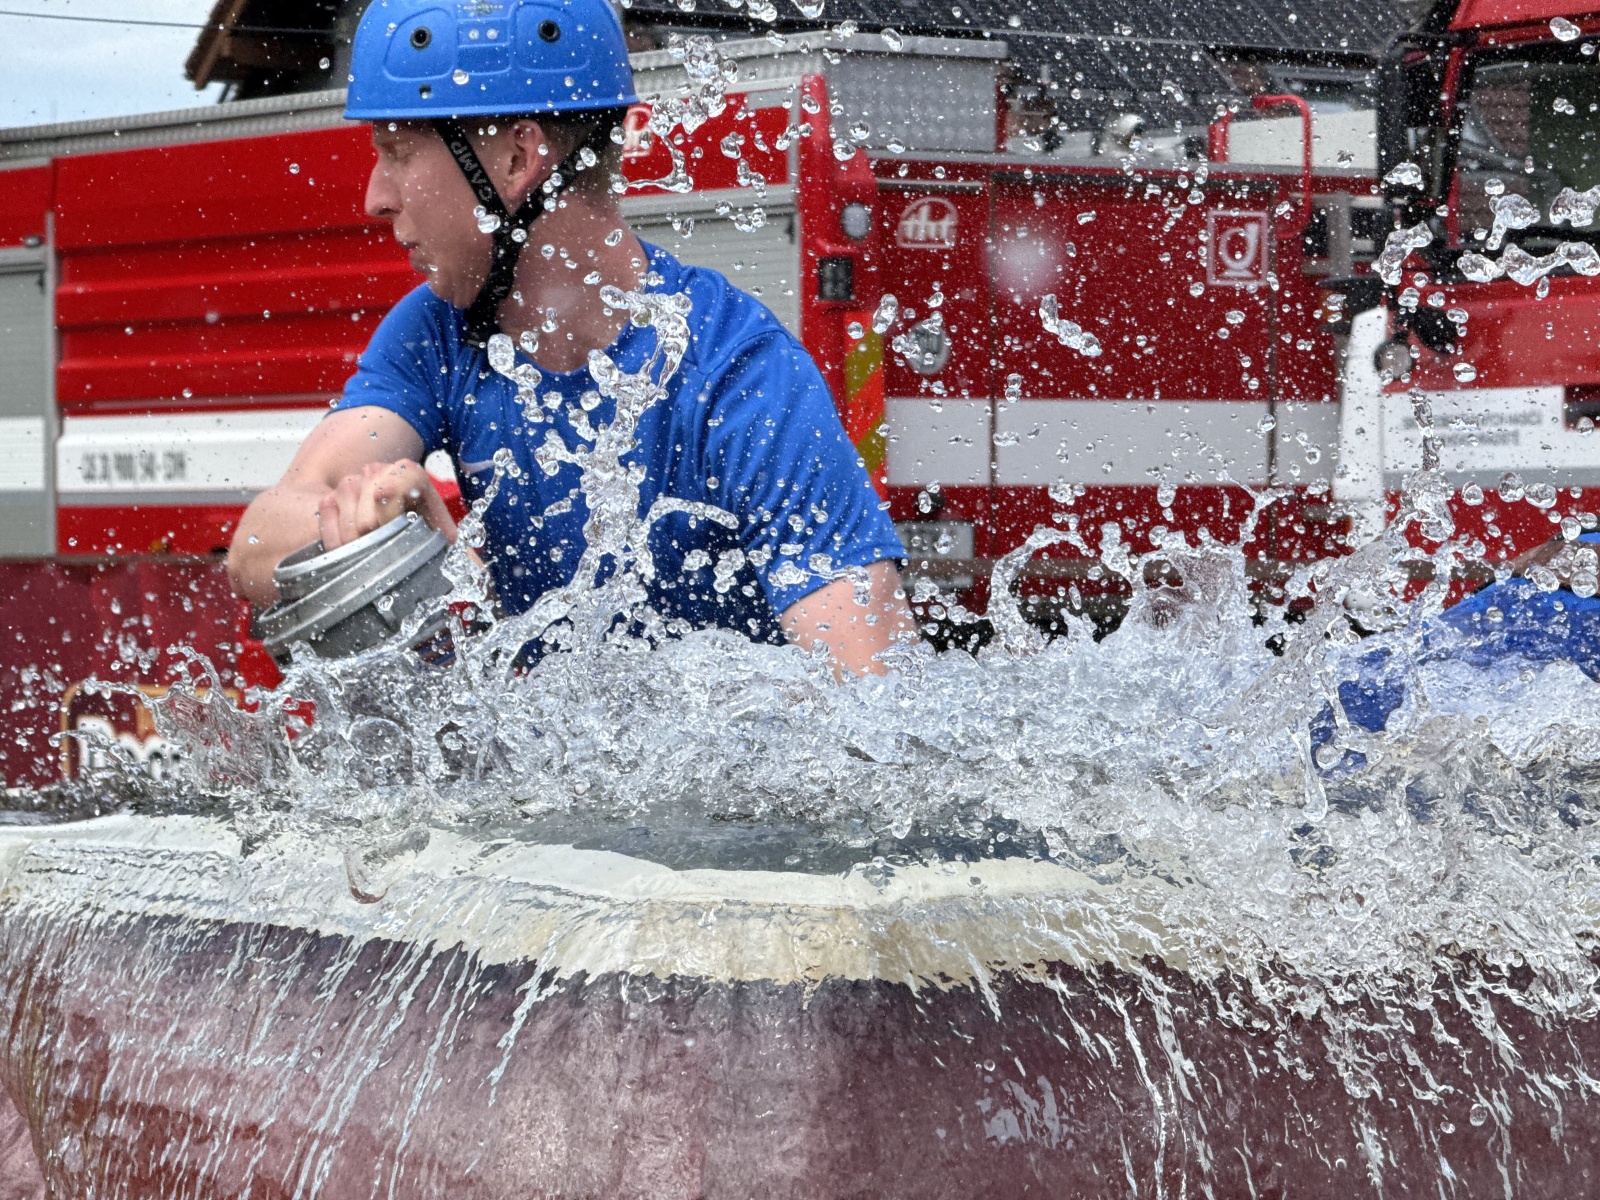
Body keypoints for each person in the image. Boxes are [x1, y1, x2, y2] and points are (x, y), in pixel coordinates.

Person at [226, 0, 913, 676]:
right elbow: (253, 546)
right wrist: (368, 520)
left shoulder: (739, 372)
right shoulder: (437, 331)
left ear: (519, 156)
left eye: (399, 151)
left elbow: (873, 691)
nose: (375, 197)